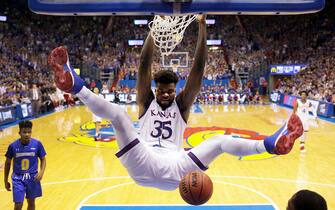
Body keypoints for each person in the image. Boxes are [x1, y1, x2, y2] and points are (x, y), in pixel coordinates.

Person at [48, 15, 303, 191]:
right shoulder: (146, 100)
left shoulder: (182, 105)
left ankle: (271, 145)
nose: (166, 95)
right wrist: (152, 31)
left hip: (176, 167)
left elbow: (198, 69)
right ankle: (74, 85)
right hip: (143, 157)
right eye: (162, 91)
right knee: (118, 115)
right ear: (156, 90)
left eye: (170, 91)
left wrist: (202, 27)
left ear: (176, 90)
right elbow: (144, 65)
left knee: (220, 142)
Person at [4, 120, 47, 210]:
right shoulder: (13, 146)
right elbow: (7, 163)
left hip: (32, 177)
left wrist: (41, 172)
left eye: (29, 132)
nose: (27, 134)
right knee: (18, 204)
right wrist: (5, 180)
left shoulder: (37, 144)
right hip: (17, 178)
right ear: (19, 133)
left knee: (31, 203)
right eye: (24, 132)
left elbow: (43, 159)